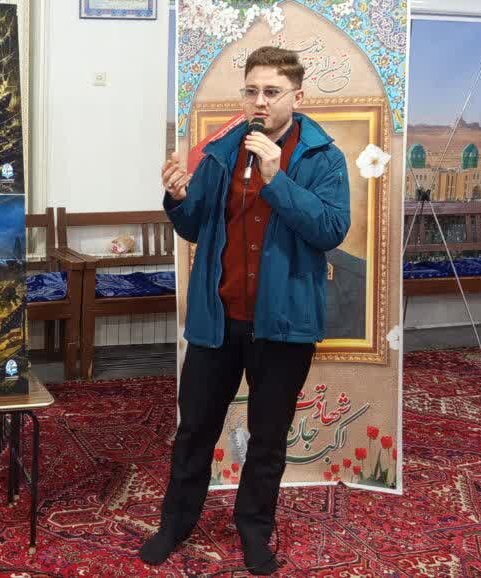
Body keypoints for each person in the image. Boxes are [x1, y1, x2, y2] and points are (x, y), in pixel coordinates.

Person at [145, 47, 351, 574]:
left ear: (297, 96)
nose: (259, 102)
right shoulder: (222, 152)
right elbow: (194, 225)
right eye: (251, 90)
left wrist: (276, 178)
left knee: (268, 437)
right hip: (217, 321)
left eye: (271, 92)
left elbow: (331, 229)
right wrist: (177, 197)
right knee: (194, 430)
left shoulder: (322, 157)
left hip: (283, 326)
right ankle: (174, 525)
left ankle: (255, 531)